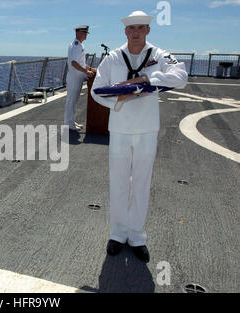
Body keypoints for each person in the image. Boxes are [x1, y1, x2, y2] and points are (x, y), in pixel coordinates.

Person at [91, 11, 188, 262]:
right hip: (120, 127)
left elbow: (181, 76)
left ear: (147, 30)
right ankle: (117, 234)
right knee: (119, 182)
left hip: (147, 127)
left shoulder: (159, 55)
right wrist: (120, 99)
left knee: (142, 183)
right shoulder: (113, 57)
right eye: (131, 28)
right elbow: (96, 90)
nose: (135, 32)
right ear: (125, 31)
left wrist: (149, 79)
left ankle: (137, 236)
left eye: (140, 28)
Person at [65, 25, 96, 131]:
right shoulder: (76, 45)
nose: (86, 35)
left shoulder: (79, 45)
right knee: (71, 101)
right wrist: (86, 71)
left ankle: (71, 121)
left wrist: (90, 68)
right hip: (74, 77)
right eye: (84, 33)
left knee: (74, 101)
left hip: (77, 77)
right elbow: (74, 63)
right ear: (78, 33)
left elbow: (80, 63)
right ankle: (69, 123)